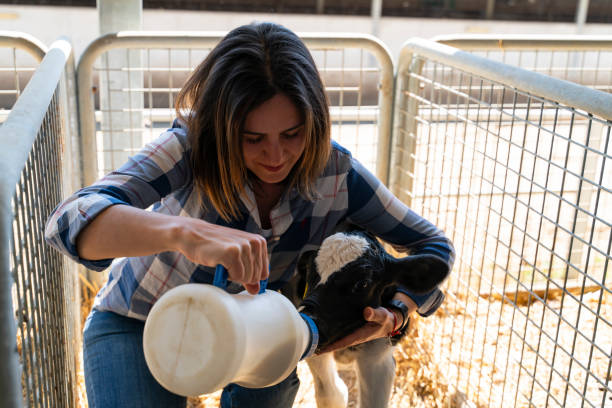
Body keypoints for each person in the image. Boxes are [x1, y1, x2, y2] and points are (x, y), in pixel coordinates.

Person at [45, 22, 454, 408]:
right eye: (251, 138)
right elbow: (71, 218)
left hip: (259, 337)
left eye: (292, 134)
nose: (275, 157)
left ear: (315, 121)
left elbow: (432, 245)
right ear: (220, 128)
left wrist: (398, 310)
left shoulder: (338, 173)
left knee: (272, 378)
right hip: (144, 320)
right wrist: (185, 233)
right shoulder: (189, 147)